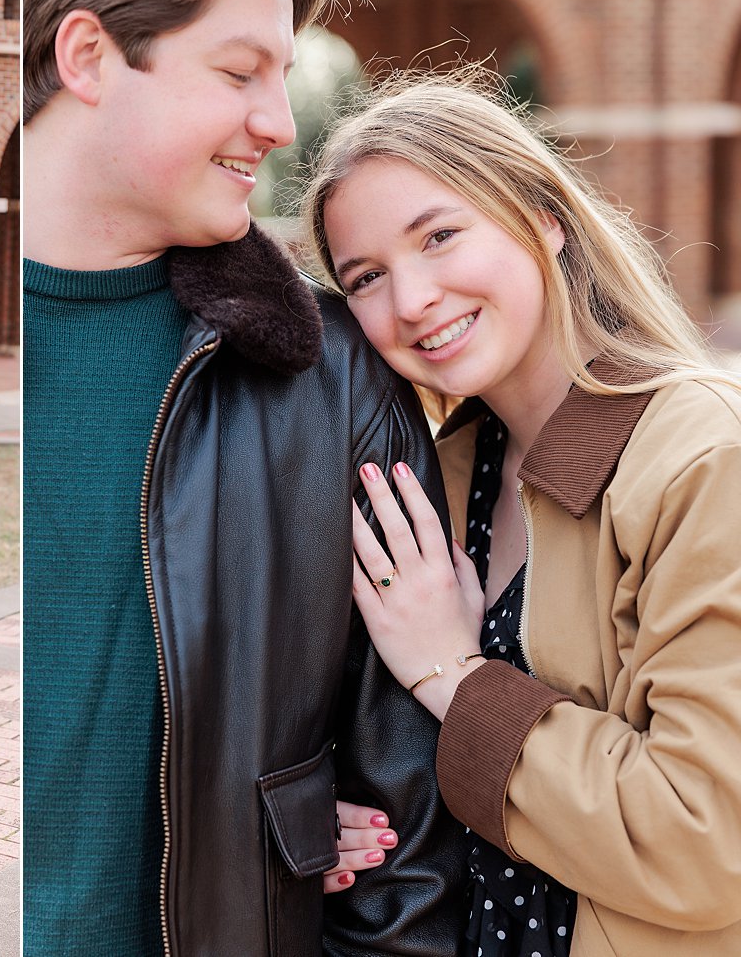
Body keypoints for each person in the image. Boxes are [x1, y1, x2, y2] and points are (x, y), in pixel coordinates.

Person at [21, 0, 468, 953]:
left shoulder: (336, 382)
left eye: (282, 73)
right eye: (239, 72)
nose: (280, 121)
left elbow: (407, 856)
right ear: (86, 57)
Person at [303, 71, 741, 955]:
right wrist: (335, 818)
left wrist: (456, 676)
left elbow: (705, 840)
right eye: (366, 277)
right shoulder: (432, 476)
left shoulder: (701, 458)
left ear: (543, 216)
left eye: (440, 236)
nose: (412, 298)